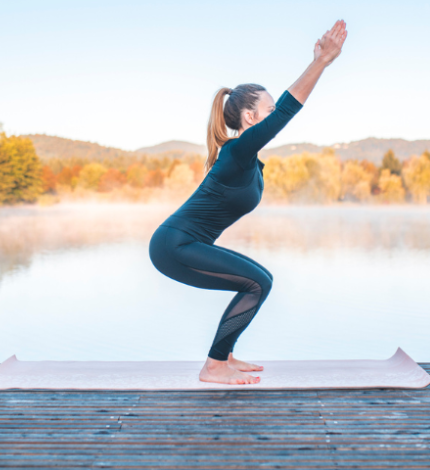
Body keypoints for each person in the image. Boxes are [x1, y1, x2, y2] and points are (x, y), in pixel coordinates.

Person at [149, 20, 348, 385]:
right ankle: (213, 366)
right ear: (250, 118)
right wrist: (321, 62)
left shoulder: (248, 160)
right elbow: (290, 109)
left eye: (272, 111)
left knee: (262, 280)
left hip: (181, 244)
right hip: (172, 245)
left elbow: (282, 112)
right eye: (268, 111)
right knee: (256, 282)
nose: (274, 117)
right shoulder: (238, 150)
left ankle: (222, 356)